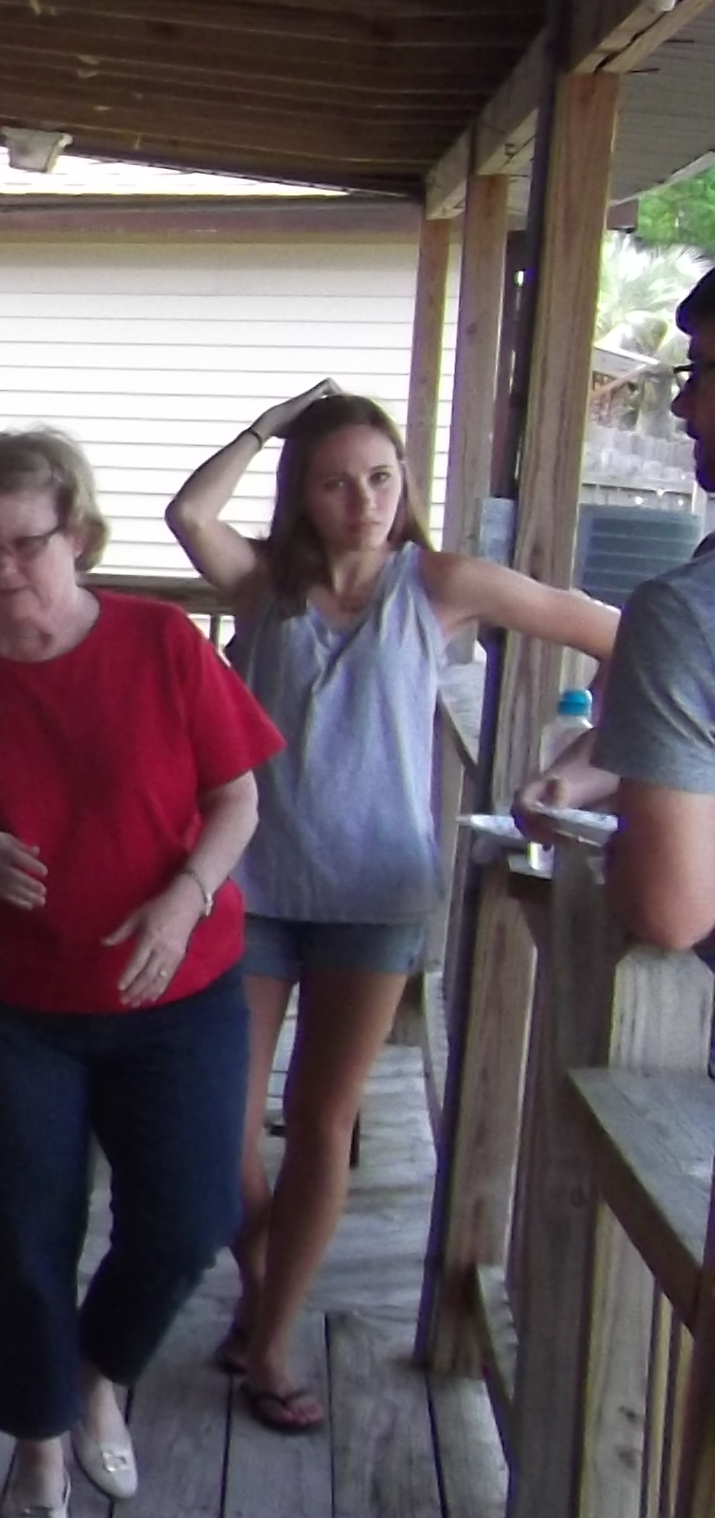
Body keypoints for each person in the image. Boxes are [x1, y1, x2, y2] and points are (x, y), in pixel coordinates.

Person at [171, 384, 617, 1432]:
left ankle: (272, 1339)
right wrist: (269, 425)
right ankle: (262, 1280)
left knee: (322, 1120)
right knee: (215, 1123)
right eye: (336, 482)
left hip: (375, 895)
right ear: (302, 493)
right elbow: (190, 515)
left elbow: (625, 639)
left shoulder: (441, 582)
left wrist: (580, 768)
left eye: (381, 477)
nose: (365, 500)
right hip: (253, 885)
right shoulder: (266, 586)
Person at [0, 428, 277, 1518]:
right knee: (24, 1230)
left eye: (25, 542)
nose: (3, 569)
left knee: (191, 1214)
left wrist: (185, 897)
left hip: (179, 987)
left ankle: (100, 1370)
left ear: (76, 533)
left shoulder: (162, 643)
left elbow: (237, 797)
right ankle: (36, 1437)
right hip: (13, 1005)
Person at [535, 267, 715, 954]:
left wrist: (627, 847)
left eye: (700, 373)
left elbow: (670, 909)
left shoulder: (682, 613)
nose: (682, 405)